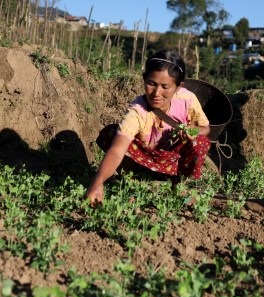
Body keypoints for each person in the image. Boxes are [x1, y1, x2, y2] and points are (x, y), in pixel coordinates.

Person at [86, 50, 211, 207]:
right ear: (144, 79)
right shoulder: (137, 111)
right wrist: (97, 183)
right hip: (143, 160)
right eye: (151, 84)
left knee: (200, 142)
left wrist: (192, 131)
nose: (157, 93)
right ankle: (133, 183)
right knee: (112, 134)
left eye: (165, 86)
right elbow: (118, 150)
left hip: (173, 162)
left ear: (178, 87)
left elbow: (205, 128)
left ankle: (178, 187)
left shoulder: (187, 100)